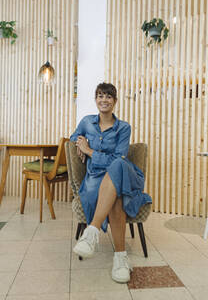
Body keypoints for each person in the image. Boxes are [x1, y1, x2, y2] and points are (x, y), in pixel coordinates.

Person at [70, 82, 152, 283]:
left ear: (114, 101)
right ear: (96, 100)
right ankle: (120, 258)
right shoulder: (87, 122)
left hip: (125, 174)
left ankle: (92, 232)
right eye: (100, 96)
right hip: (96, 179)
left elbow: (119, 158)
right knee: (116, 198)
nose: (103, 100)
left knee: (117, 165)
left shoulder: (123, 127)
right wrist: (80, 141)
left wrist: (89, 151)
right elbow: (74, 136)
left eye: (108, 96)